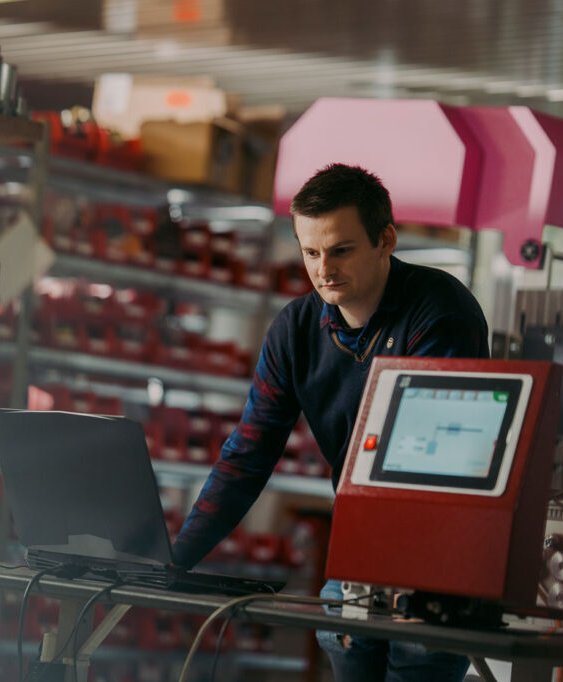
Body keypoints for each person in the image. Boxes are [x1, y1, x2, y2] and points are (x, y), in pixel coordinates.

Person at [171, 163, 488, 681]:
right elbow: (249, 452)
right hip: (360, 558)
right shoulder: (295, 329)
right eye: (310, 252)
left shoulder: (440, 312)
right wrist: (176, 559)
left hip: (438, 564)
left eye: (341, 250)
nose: (323, 270)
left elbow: (421, 458)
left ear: (385, 239)